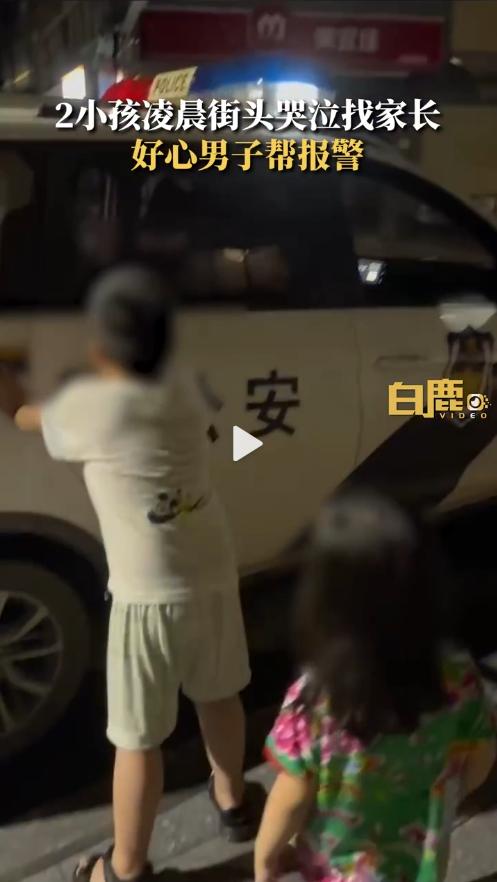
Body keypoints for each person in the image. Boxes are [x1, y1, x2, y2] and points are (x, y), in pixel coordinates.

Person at [11, 264, 255, 882]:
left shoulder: (90, 409)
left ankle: (123, 868)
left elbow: (21, 415)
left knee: (138, 738)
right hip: (211, 569)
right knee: (219, 694)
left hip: (147, 594)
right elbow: (221, 430)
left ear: (101, 347)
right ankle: (233, 801)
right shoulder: (187, 383)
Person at [255, 493, 497, 882]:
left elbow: (293, 797)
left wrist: (265, 861)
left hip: (337, 866)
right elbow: (481, 756)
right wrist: (442, 801)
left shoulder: (315, 698)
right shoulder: (457, 675)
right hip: (418, 859)